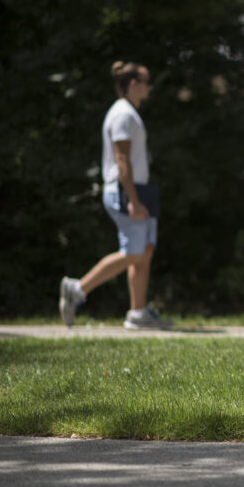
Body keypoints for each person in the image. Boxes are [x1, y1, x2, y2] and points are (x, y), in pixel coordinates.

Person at [59, 62, 171, 329]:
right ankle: (77, 288)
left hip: (136, 189)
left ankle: (138, 313)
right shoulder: (123, 114)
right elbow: (122, 160)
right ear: (133, 84)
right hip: (125, 191)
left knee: (144, 251)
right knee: (133, 252)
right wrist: (133, 199)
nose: (150, 87)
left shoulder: (129, 113)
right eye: (146, 81)